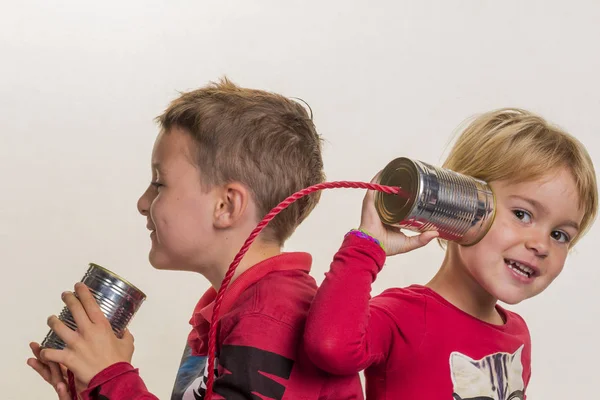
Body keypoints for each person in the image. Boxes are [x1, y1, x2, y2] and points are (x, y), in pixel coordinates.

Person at [28, 78, 364, 400]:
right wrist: (92, 387)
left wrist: (111, 377)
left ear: (226, 206)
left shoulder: (270, 316)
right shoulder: (229, 308)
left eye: (159, 184)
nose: (142, 203)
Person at [303, 108, 598, 399]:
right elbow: (329, 347)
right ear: (464, 200)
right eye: (522, 214)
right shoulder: (405, 316)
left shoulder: (517, 335)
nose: (541, 245)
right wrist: (365, 248)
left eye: (559, 235)